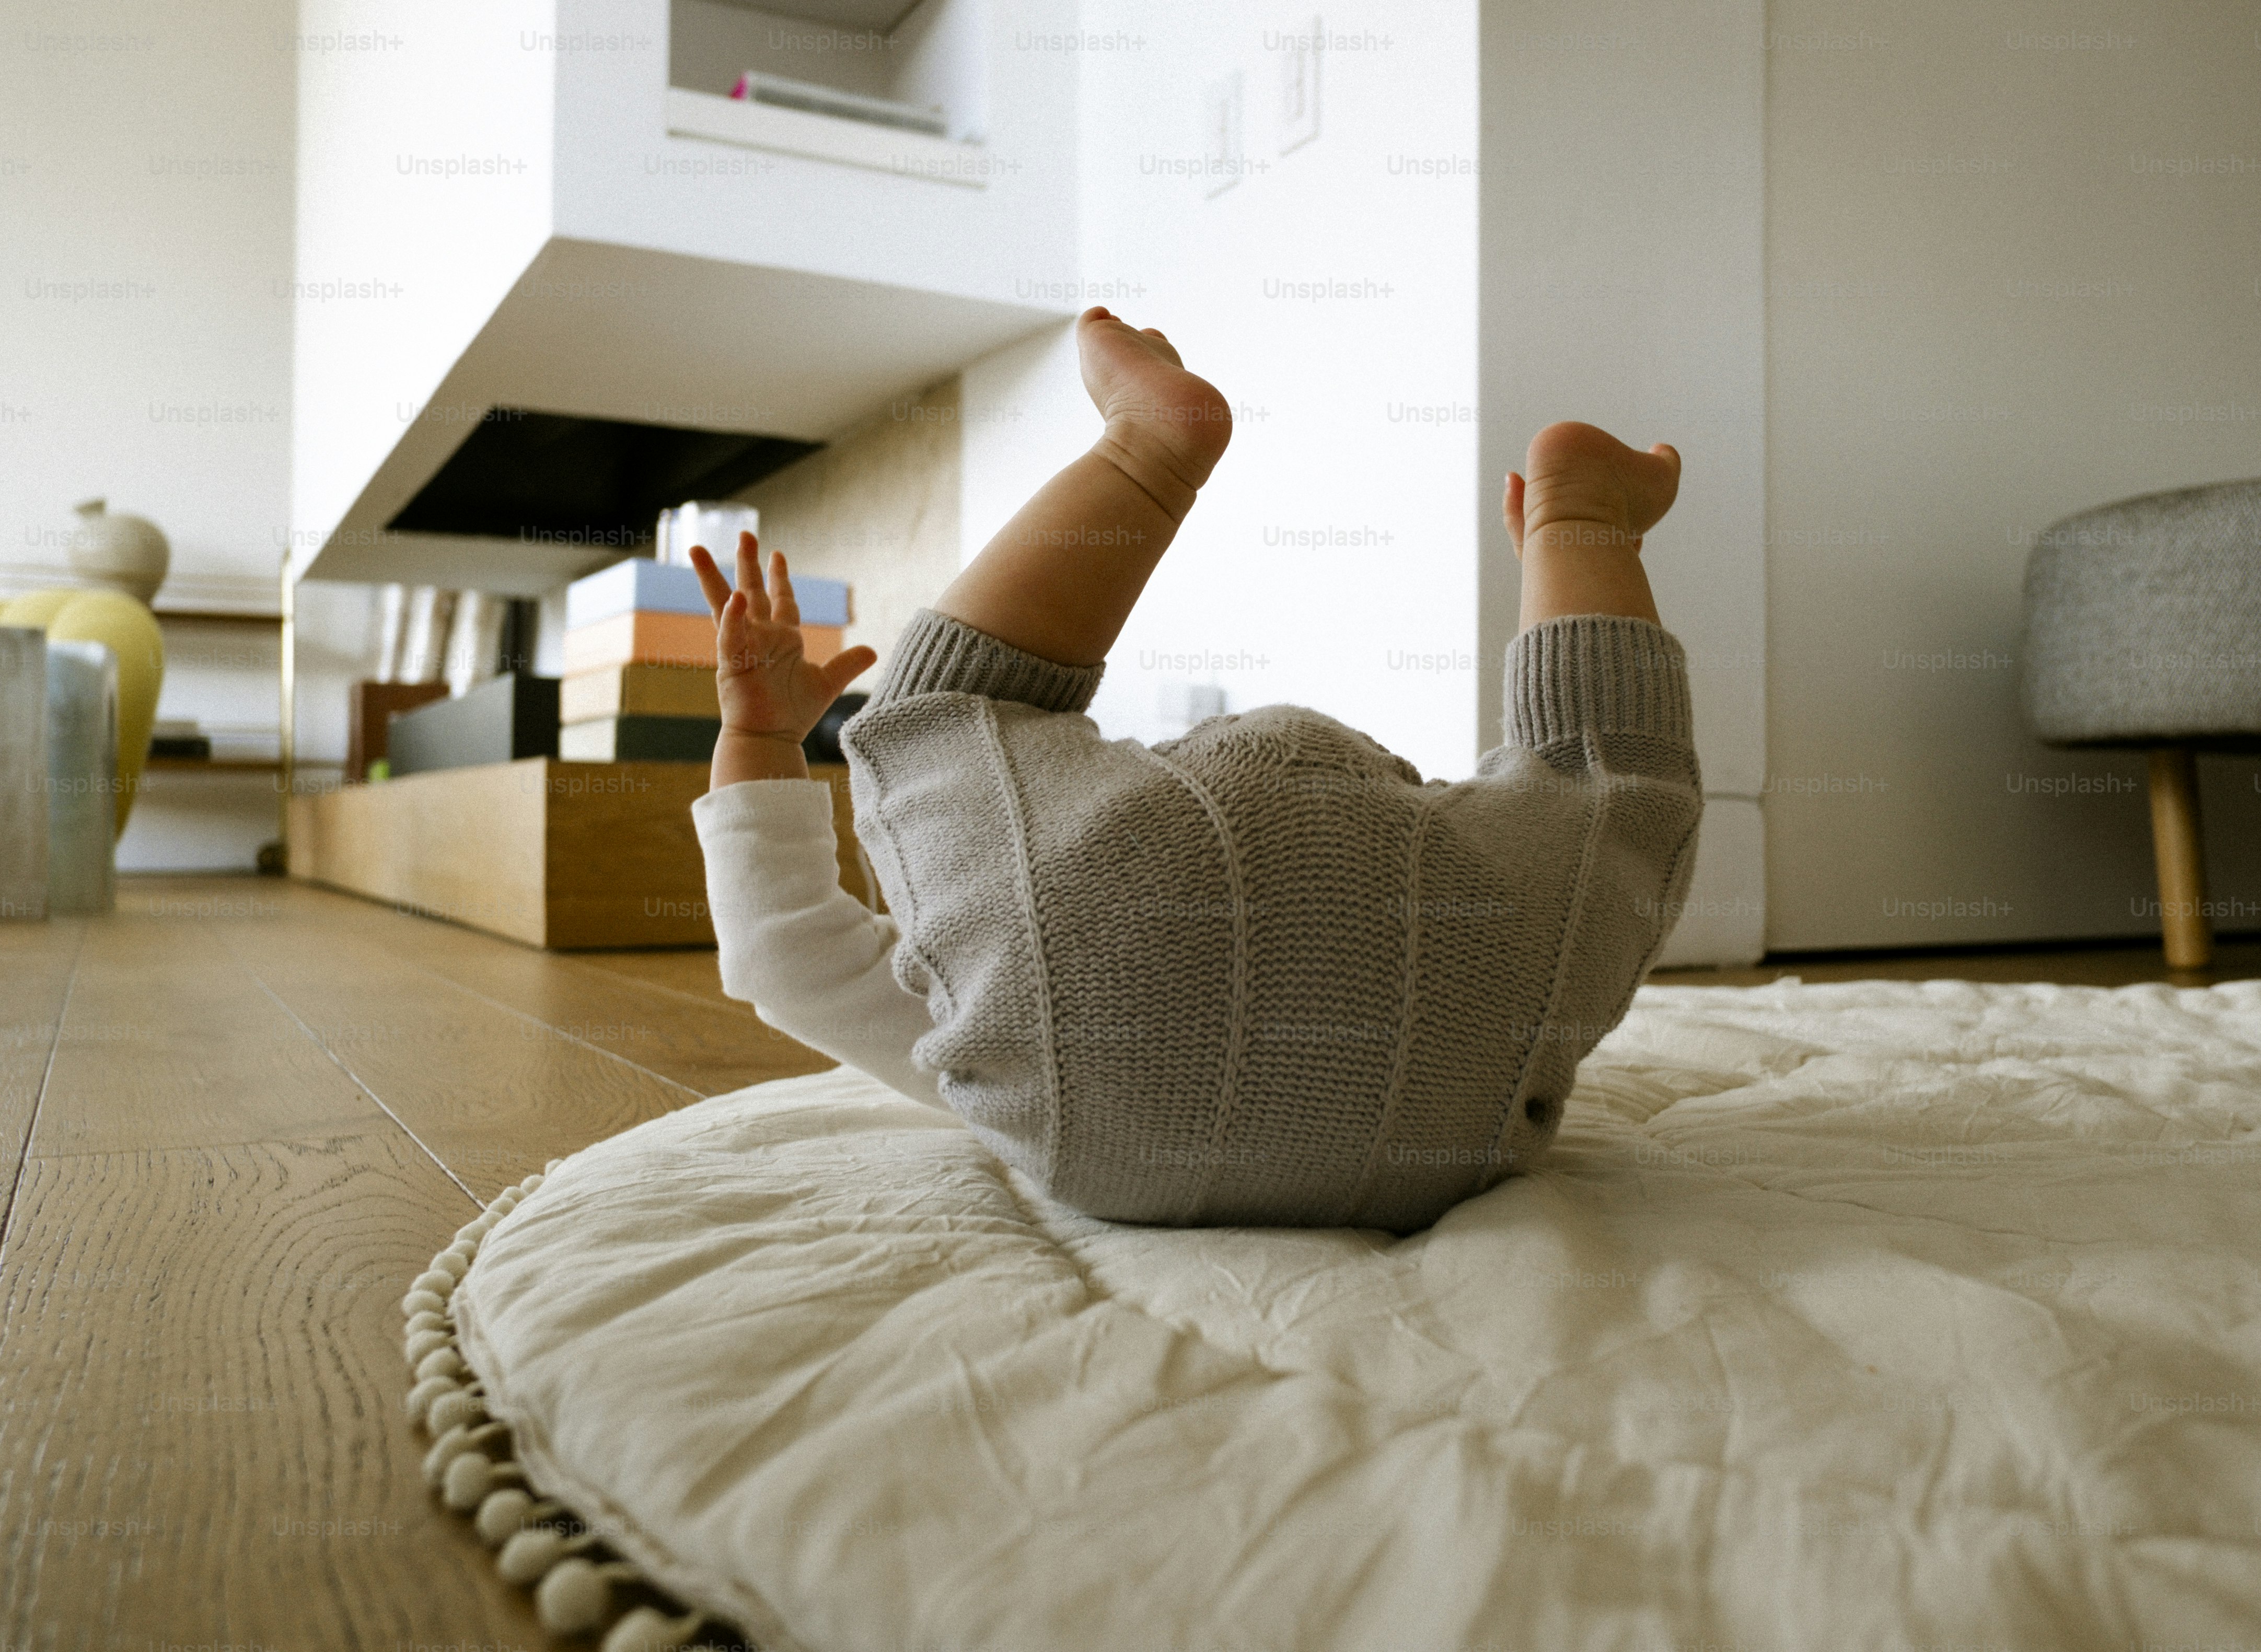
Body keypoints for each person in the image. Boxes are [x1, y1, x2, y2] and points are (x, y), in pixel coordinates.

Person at [689, 307, 1700, 1231]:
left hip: (1435, 1128)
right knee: (942, 713)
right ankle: (1149, 457)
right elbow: (788, 954)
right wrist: (768, 743)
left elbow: (780, 958)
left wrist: (761, 735)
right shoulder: (994, 1023)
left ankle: (1575, 520)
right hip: (1458, 1119)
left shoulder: (990, 1033)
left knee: (1605, 788)